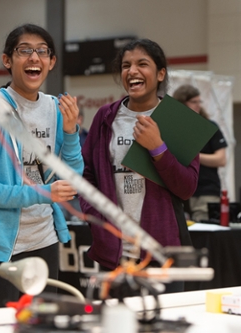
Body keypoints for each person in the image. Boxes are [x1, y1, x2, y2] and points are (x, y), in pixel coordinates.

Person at [0, 23, 83, 309]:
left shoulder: (56, 108)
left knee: (41, 326)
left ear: (51, 62)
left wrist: (70, 132)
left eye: (42, 51)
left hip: (44, 242)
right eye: (24, 50)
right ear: (7, 60)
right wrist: (42, 193)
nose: (34, 57)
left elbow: (73, 179)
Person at [79, 39, 200, 294]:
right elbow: (86, 175)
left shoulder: (180, 119)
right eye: (126, 65)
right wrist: (98, 220)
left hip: (162, 254)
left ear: (160, 74)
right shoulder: (105, 117)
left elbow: (187, 188)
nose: (132, 71)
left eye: (142, 64)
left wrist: (158, 148)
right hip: (113, 254)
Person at [172, 84, 227, 222]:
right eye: (193, 102)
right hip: (180, 189)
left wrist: (192, 155)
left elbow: (221, 159)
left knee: (204, 229)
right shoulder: (174, 128)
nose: (198, 105)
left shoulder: (209, 126)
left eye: (199, 102)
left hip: (206, 190)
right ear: (182, 104)